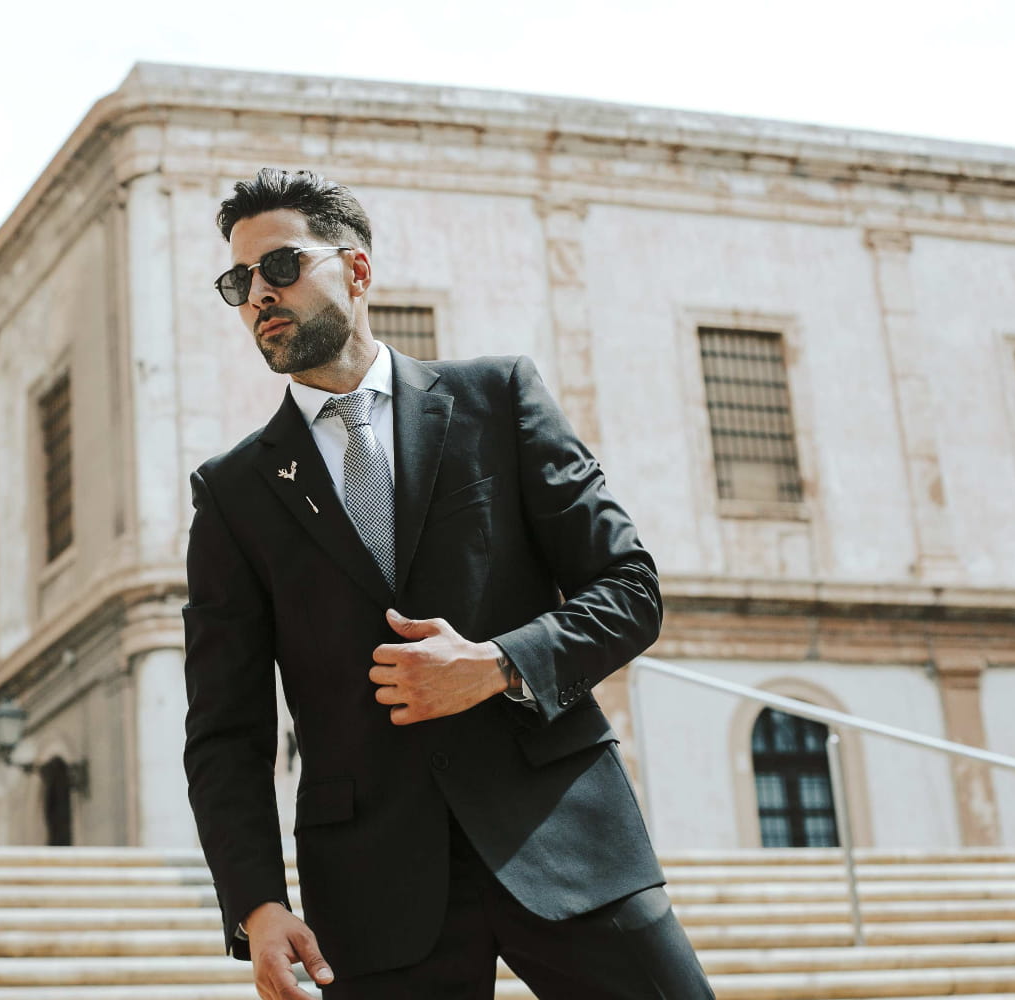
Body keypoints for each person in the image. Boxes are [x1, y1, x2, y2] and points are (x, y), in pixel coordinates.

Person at [182, 167, 713, 1000]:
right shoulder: (233, 491)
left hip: (563, 837)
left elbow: (629, 588)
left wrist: (498, 665)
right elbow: (225, 727)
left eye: (280, 267)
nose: (258, 295)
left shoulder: (498, 399)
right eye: (237, 281)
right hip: (372, 888)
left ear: (356, 271)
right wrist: (256, 902)